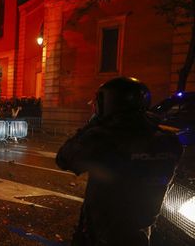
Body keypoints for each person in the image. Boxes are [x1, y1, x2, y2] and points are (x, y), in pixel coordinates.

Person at [56, 77, 182, 246]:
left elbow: (64, 159)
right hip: (142, 230)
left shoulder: (104, 138)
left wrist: (94, 125)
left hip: (102, 231)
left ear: (109, 102)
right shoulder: (167, 139)